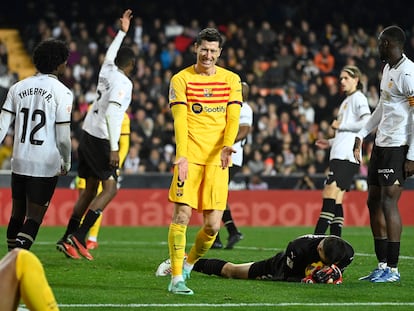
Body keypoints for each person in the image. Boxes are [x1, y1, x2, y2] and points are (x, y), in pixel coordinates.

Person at [166, 27, 242, 295]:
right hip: (190, 157)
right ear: (195, 48)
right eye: (204, 50)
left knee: (211, 226)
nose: (208, 55)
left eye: (213, 50)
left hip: (218, 160)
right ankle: (176, 279)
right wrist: (182, 155)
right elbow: (180, 120)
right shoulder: (180, 79)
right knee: (182, 215)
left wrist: (226, 146)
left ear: (219, 52)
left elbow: (233, 118)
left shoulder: (232, 80)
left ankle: (188, 264)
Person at [56, 9, 135, 261]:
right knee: (110, 189)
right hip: (102, 138)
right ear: (131, 65)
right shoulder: (124, 83)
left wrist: (122, 33)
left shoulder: (107, 71)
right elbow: (113, 114)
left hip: (87, 133)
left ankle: (66, 238)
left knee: (90, 190)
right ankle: (79, 237)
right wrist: (114, 147)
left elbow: (110, 54)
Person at [353, 25, 414, 283]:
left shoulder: (409, 73)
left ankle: (393, 268)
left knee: (389, 202)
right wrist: (362, 133)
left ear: (388, 43)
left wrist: (412, 154)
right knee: (373, 202)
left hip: (399, 146)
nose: (377, 47)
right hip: (381, 144)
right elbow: (382, 106)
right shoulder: (388, 69)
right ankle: (381, 265)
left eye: (379, 42)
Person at [0, 38, 72, 251]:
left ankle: (9, 262)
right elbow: (62, 138)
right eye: (65, 61)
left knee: (17, 214)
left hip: (20, 160)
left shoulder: (17, 88)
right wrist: (66, 162)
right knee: (34, 218)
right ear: (58, 64)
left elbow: (2, 127)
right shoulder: (63, 92)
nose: (66, 65)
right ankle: (16, 262)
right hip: (44, 163)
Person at [314, 65, 371, 237]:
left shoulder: (358, 98)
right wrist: (331, 141)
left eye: (346, 78)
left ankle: (315, 240)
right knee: (337, 200)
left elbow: (366, 122)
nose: (342, 81)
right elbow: (346, 133)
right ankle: (335, 242)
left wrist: (341, 126)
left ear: (356, 80)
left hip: (347, 156)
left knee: (329, 192)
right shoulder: (346, 101)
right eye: (341, 78)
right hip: (339, 153)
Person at [157, 234, 354, 284]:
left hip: (299, 267)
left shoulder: (347, 252)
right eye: (324, 260)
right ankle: (186, 260)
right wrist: (308, 278)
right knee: (231, 271)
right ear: (319, 248)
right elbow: (285, 277)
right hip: (278, 265)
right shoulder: (297, 247)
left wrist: (334, 273)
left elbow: (338, 268)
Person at [78, 112, 130, 250]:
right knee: (87, 197)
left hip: (105, 160)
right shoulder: (94, 107)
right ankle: (74, 235)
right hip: (91, 155)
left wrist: (117, 164)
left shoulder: (123, 116)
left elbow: (124, 144)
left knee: (99, 198)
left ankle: (90, 238)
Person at [212, 81, 253, 250]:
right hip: (222, 156)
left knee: (214, 193)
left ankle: (217, 236)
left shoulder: (244, 108)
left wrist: (225, 143)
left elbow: (244, 131)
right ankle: (229, 232)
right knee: (217, 193)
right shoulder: (229, 106)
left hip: (231, 157)